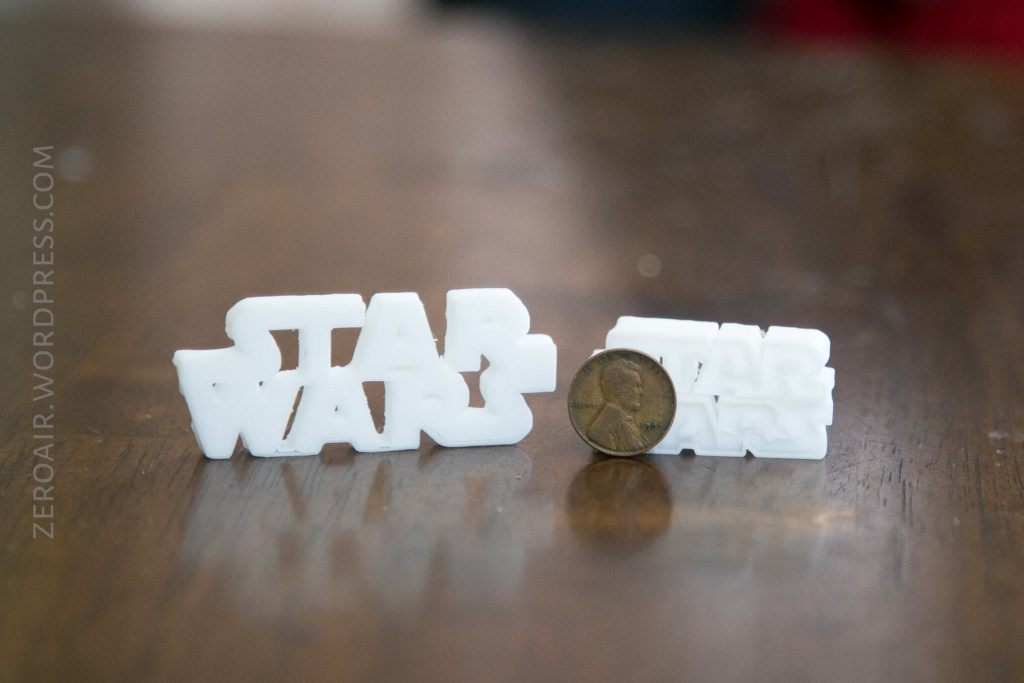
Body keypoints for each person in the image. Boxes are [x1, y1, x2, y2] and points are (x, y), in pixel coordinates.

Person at [587, 358, 646, 452]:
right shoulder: (600, 430)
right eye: (635, 386)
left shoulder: (626, 421)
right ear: (617, 389)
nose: (641, 392)